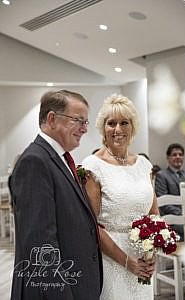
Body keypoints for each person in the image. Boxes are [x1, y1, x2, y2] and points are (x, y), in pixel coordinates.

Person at [9, 90, 103, 300]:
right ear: (52, 119)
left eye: (86, 122)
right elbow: (40, 243)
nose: (84, 129)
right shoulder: (35, 161)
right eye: (78, 120)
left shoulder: (59, 159)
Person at [82, 94, 159, 300]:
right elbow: (91, 225)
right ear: (103, 128)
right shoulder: (92, 167)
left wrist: (152, 253)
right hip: (111, 260)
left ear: (132, 127)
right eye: (111, 123)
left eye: (124, 123)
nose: (118, 129)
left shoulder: (144, 165)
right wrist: (127, 261)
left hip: (143, 258)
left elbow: (154, 215)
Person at [155, 143, 185, 239]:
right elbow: (164, 205)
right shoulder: (162, 175)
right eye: (174, 155)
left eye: (180, 154)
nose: (178, 157)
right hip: (175, 216)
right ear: (168, 158)